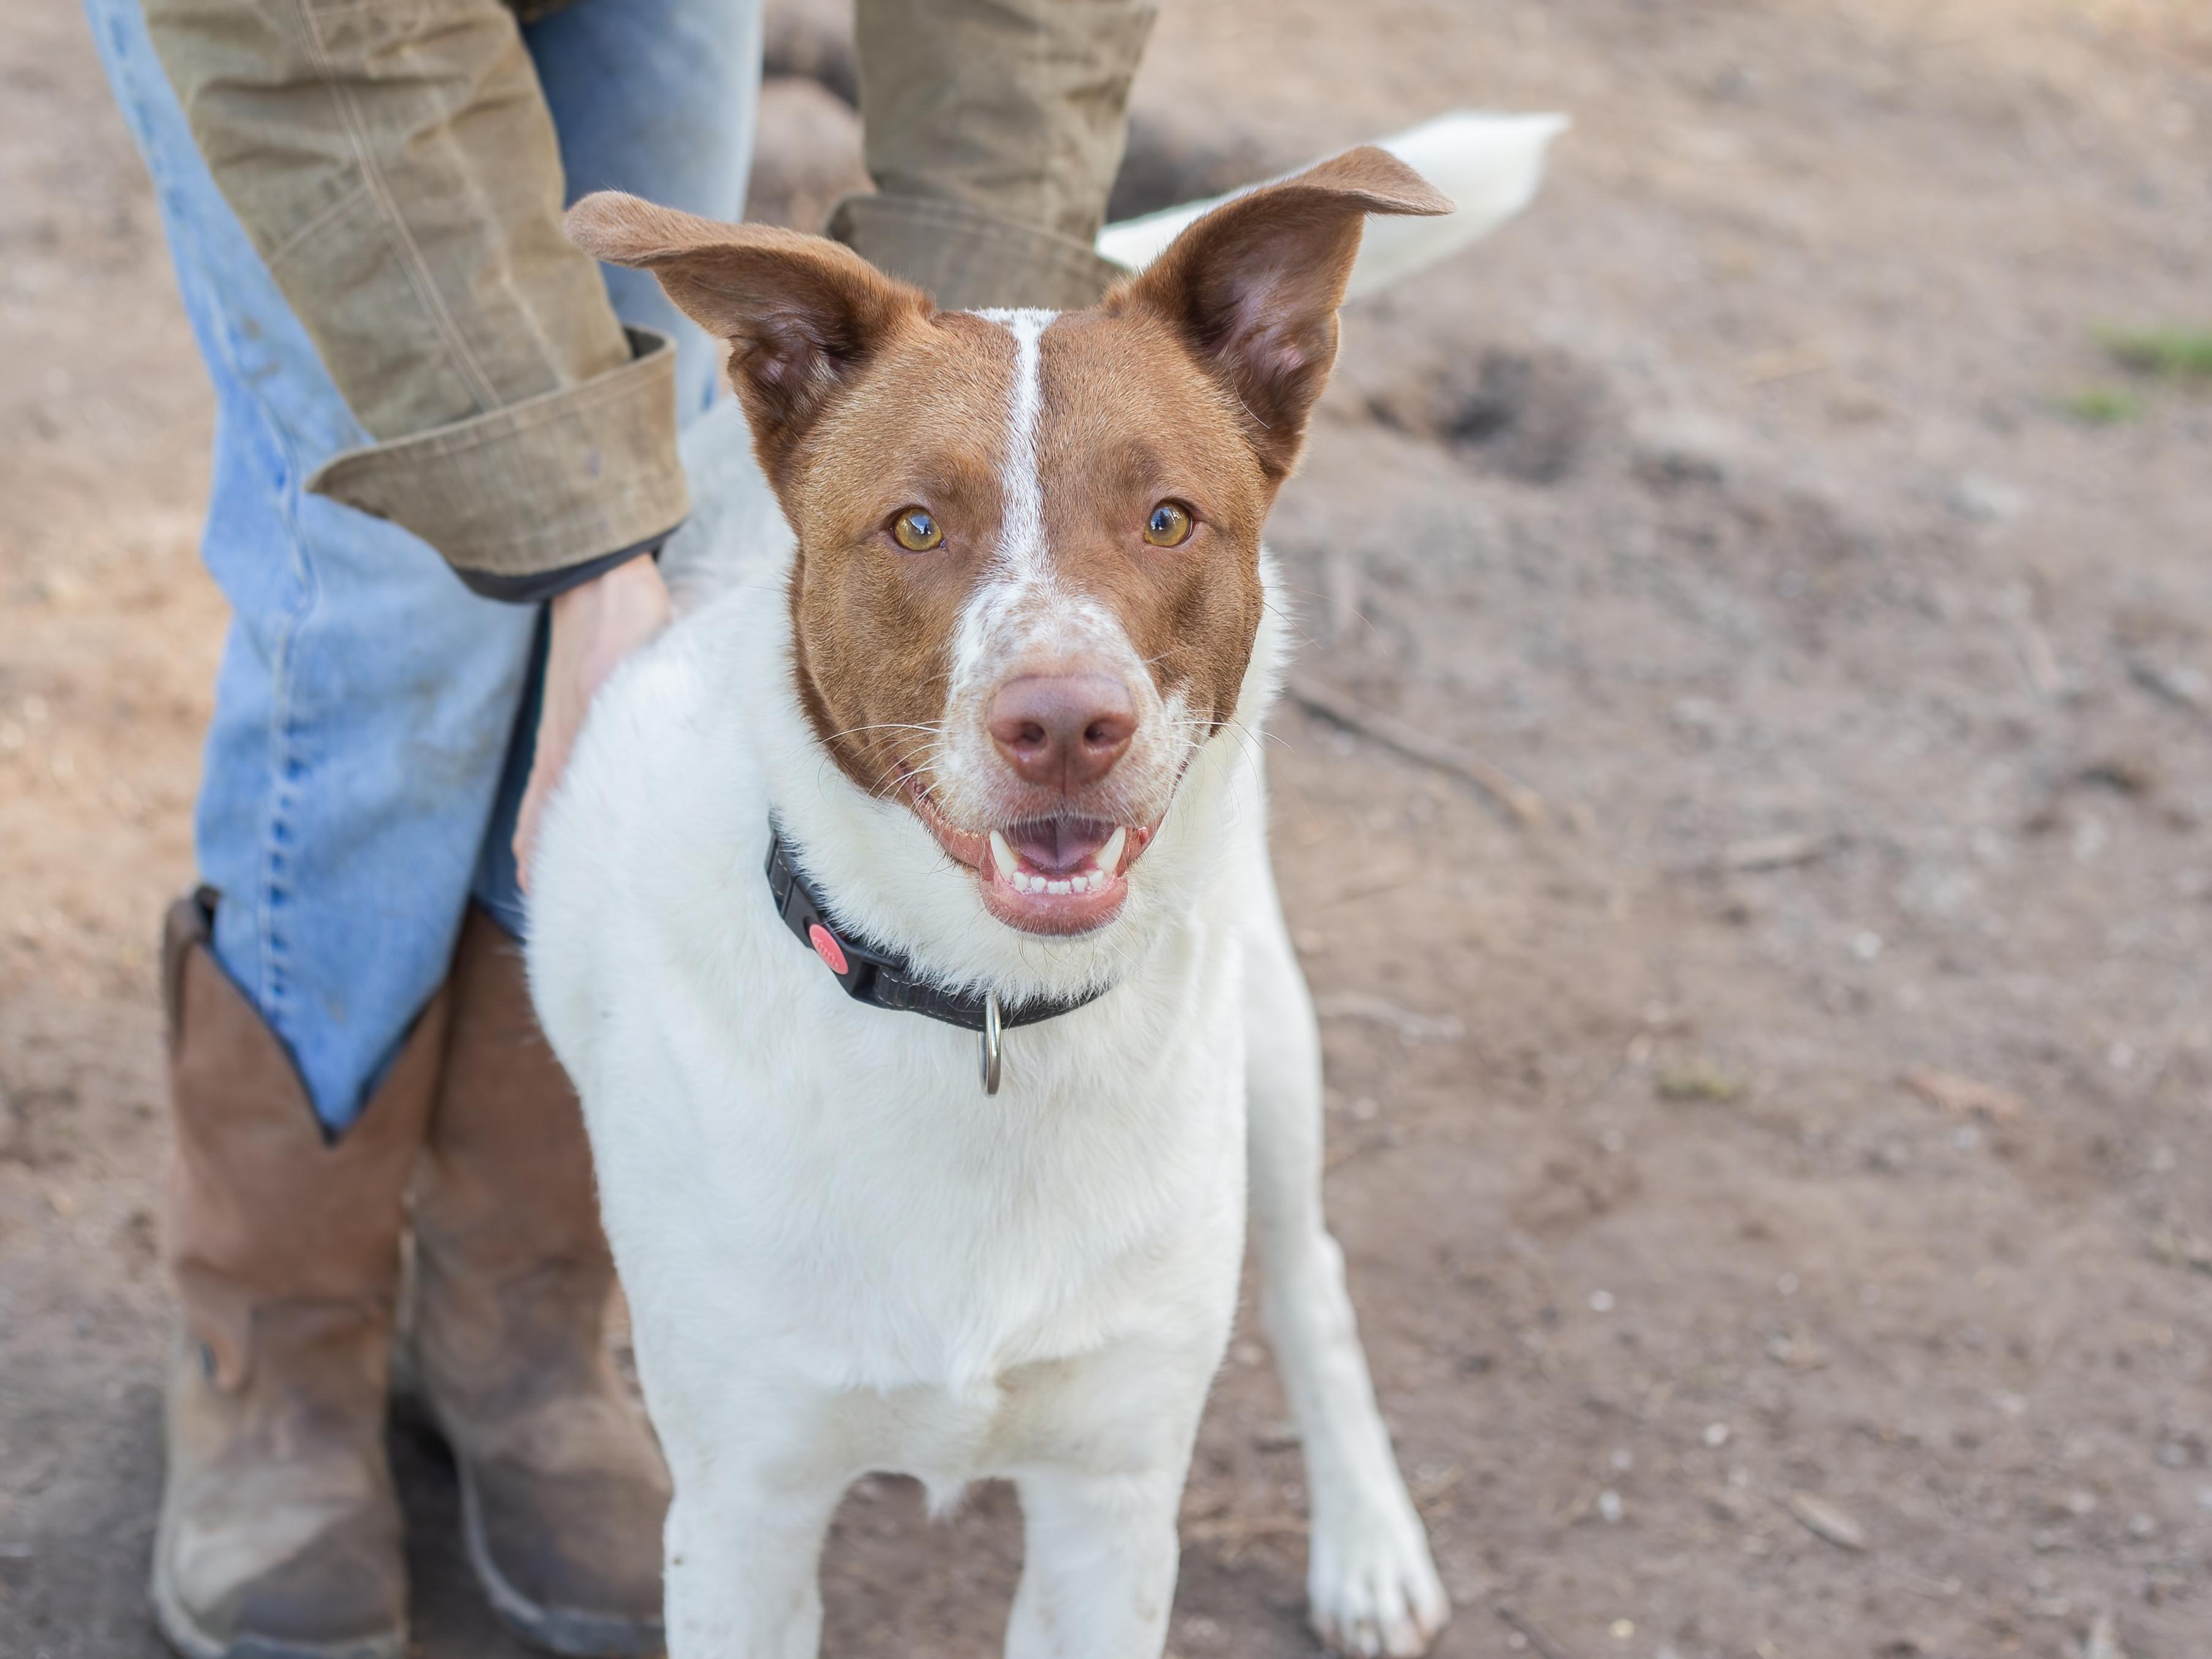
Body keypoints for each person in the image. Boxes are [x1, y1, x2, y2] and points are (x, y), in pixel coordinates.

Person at [83, 0, 1158, 1653]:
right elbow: (323, 46)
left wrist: (955, 387)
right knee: (402, 576)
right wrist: (588, 560)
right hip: (326, 28)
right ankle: (279, 1339)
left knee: (666, 477)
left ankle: (519, 1318)